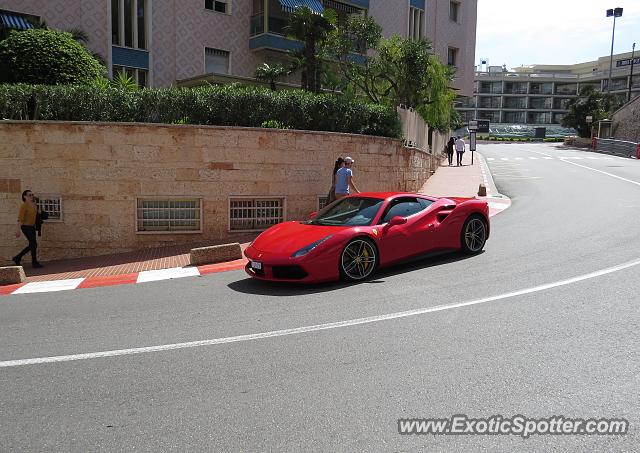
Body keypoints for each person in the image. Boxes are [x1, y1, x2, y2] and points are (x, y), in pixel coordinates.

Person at [13, 189, 43, 268]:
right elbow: (20, 219)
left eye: (32, 195)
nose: (32, 196)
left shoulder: (35, 204)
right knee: (33, 244)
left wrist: (39, 210)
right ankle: (34, 262)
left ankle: (17, 258)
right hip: (25, 227)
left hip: (32, 227)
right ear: (25, 197)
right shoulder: (24, 206)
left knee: (33, 244)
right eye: (30, 195)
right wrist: (18, 230)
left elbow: (38, 213)